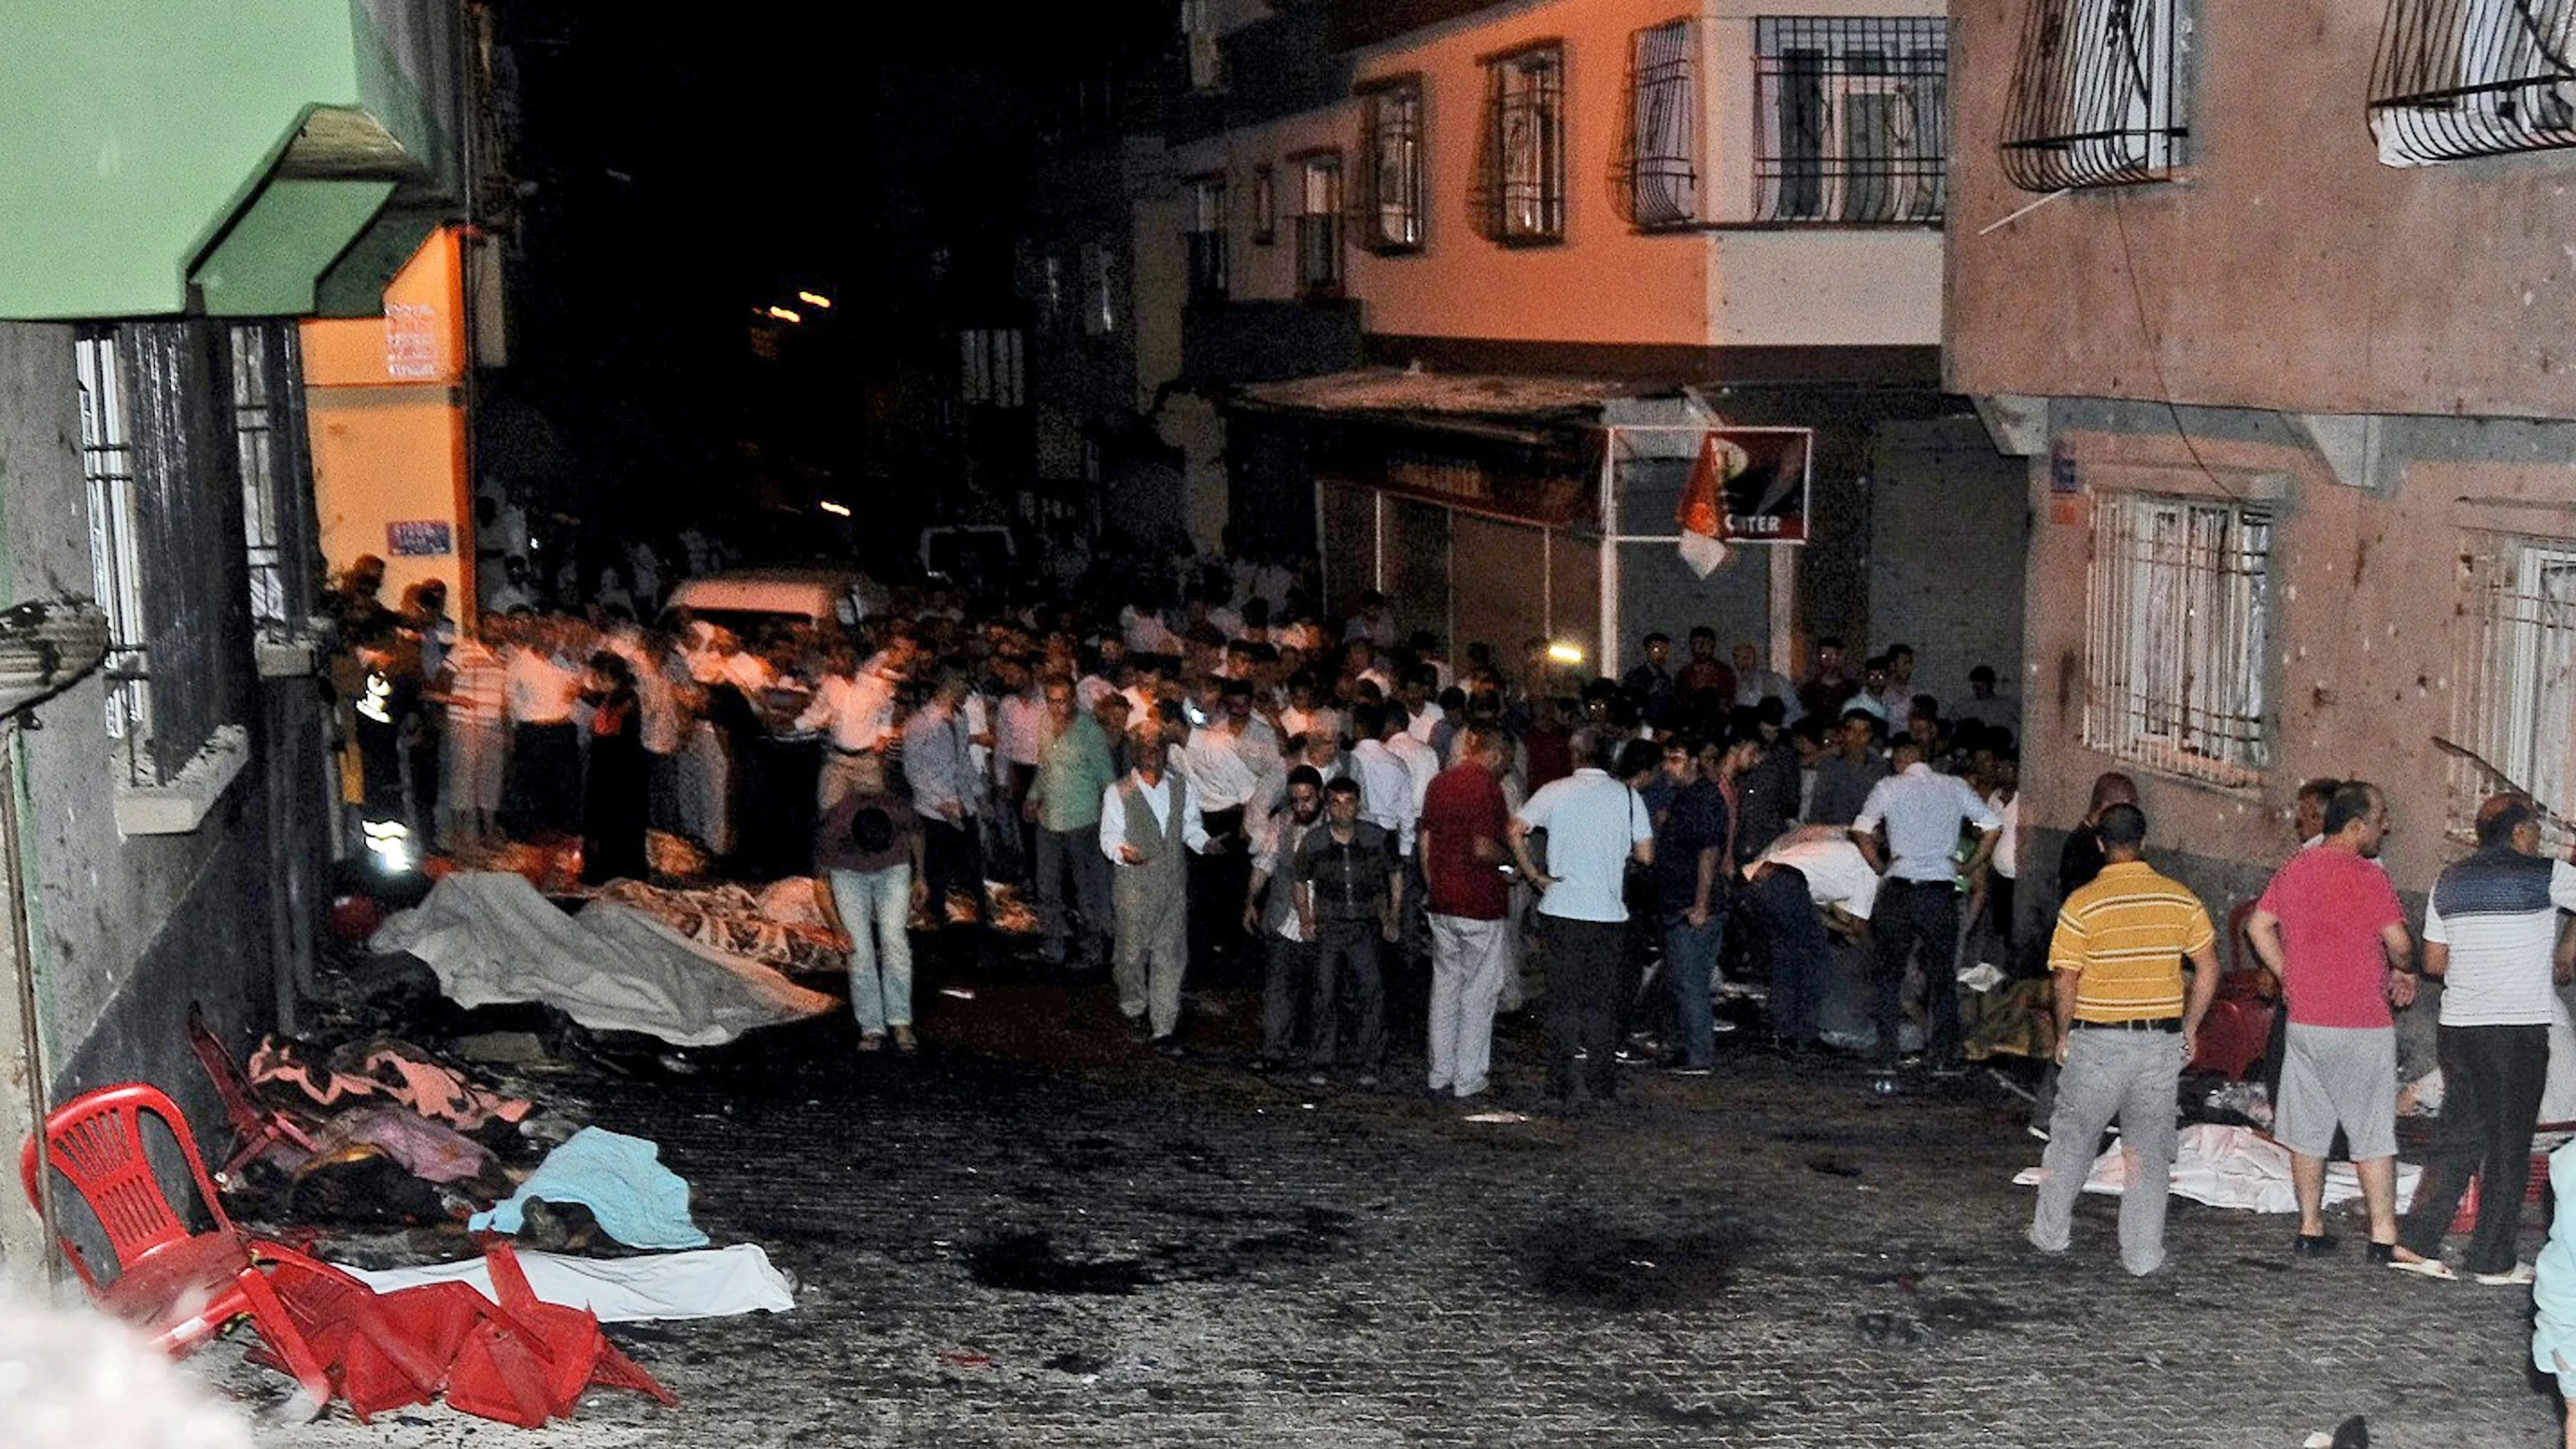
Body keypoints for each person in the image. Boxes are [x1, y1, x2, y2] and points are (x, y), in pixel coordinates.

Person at [2027, 802, 2220, 1277]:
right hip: (2157, 1044)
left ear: (2098, 843)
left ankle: (2050, 1234)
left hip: (2097, 1042)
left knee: (2071, 1141)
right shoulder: (2180, 898)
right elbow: (2208, 967)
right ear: (2143, 841)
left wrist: (2064, 1032)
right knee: (2148, 1153)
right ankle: (2141, 1255)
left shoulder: (2082, 903)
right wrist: (2189, 1027)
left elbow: (2064, 979)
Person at [2391, 795, 2576, 1283]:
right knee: (2509, 1142)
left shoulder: (2447, 879)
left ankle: (2416, 1241)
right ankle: (2492, 1258)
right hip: (2515, 1028)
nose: (2539, 839)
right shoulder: (2545, 874)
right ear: (2518, 834)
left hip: (2459, 1027)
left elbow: (2432, 962)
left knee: (2457, 1135)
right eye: (2535, 830)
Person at [2245, 781, 2417, 1261]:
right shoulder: (2368, 876)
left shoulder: (2295, 868)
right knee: (2371, 1131)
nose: (2387, 826)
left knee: (2306, 1129)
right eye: (2380, 817)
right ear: (2356, 825)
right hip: (2360, 1021)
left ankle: (2309, 1226)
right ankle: (2382, 1235)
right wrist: (2404, 965)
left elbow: (2257, 926)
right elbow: (2399, 941)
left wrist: (2286, 972)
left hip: (2305, 1020)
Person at [1510, 737, 1658, 1105]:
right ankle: (1601, 1083)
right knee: (1601, 1002)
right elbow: (1646, 855)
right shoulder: (1627, 797)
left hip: (1561, 908)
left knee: (1563, 1000)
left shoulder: (1554, 791)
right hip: (1607, 913)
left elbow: (1514, 828)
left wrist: (1534, 874)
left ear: (1574, 754)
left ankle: (1559, 1082)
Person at [1853, 736, 2002, 1069]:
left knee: (1890, 972)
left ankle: (1887, 1054)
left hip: (1901, 889)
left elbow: (1861, 832)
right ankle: (1942, 1057)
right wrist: (1970, 865)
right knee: (1942, 976)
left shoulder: (1888, 787)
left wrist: (1882, 866)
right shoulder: (1955, 786)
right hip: (1939, 891)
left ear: (1899, 762)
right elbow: (1993, 827)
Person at [1099, 721, 1211, 1051]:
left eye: (1158, 748)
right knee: (1131, 954)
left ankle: (1164, 1024)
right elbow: (1109, 836)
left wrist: (1205, 844)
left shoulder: (1181, 787)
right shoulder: (1118, 791)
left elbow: (1190, 826)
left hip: (1172, 885)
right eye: (1146, 749)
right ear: (1135, 754)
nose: (1153, 755)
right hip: (1135, 886)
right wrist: (1122, 852)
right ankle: (1133, 1005)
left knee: (1170, 955)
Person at [1419, 727, 1514, 1099]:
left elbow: (1426, 842)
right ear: (1496, 754)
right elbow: (1483, 848)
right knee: (1479, 991)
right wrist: (1511, 863)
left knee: (1445, 987)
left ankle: (1439, 1070)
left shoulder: (1439, 783)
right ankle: (1468, 1075)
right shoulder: (1487, 787)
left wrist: (1433, 886)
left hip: (1443, 899)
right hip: (1479, 902)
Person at [1292, 776, 1403, 1087]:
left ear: (1358, 804)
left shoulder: (1376, 838)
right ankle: (1322, 1061)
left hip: (1365, 925)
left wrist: (1392, 916)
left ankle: (1370, 1061)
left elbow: (1395, 874)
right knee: (1324, 993)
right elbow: (1299, 880)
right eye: (1336, 803)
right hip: (1330, 925)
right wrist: (1305, 918)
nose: (1344, 810)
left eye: (1349, 802)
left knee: (1371, 992)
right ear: (1327, 807)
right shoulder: (1314, 842)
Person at [1744, 824, 1879, 1053]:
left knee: (1787, 962)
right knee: (1814, 962)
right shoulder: (1867, 871)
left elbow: (1813, 913)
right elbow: (1859, 926)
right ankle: (1806, 1033)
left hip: (1757, 882)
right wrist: (1874, 948)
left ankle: (1784, 1032)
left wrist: (1841, 927)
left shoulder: (1837, 849)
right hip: (1785, 884)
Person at [815, 785, 928, 1053]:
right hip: (849, 874)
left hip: (894, 868)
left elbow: (917, 835)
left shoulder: (898, 809)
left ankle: (900, 1020)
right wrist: (837, 929)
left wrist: (920, 876)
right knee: (859, 950)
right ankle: (872, 1025)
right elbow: (820, 885)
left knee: (894, 940)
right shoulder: (834, 826)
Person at [1648, 731, 1732, 1074]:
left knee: (1691, 981)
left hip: (1692, 905)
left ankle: (1699, 1055)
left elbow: (1709, 852)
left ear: (1694, 762)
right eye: (1666, 759)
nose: (1669, 767)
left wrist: (1701, 904)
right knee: (1683, 980)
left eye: (1677, 759)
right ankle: (1689, 1047)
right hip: (1679, 900)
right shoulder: (1684, 797)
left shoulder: (1702, 798)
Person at [1024, 676, 1118, 971]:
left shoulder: (1089, 732)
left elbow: (1107, 780)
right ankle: (1054, 946)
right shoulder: (1045, 724)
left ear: (1073, 700)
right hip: (1049, 819)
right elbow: (1044, 767)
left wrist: (1111, 821)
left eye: (1062, 700)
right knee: (1047, 887)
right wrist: (1033, 796)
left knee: (1085, 888)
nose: (1056, 707)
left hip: (1082, 821)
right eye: (1051, 700)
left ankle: (1093, 949)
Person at [904, 661, 987, 962]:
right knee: (936, 878)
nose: (967, 689)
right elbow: (914, 772)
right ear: (949, 684)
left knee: (970, 877)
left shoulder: (960, 718)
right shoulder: (920, 724)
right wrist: (941, 802)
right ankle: (938, 946)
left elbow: (963, 761)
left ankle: (971, 942)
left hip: (961, 805)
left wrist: (977, 797)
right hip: (935, 812)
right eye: (963, 683)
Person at [1245, 766, 1328, 1071]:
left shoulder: (1331, 827)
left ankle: (1318, 1054)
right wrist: (1251, 901)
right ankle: (1274, 1051)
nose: (1300, 807)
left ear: (1319, 796)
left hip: (1321, 921)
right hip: (1283, 918)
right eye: (1294, 801)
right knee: (1279, 989)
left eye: (1306, 800)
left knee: (1322, 991)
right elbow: (1264, 863)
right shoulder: (1280, 823)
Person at [500, 619, 582, 838]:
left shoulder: (561, 663)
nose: (552, 644)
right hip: (535, 731)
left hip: (562, 729)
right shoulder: (521, 663)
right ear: (536, 638)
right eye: (547, 639)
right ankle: (534, 836)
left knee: (565, 787)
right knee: (535, 787)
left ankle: (563, 836)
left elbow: (575, 688)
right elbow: (508, 699)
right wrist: (511, 732)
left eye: (554, 639)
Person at [578, 651, 649, 884]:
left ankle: (613, 872)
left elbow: (606, 731)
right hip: (609, 768)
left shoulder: (624, 700)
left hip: (617, 771)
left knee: (613, 824)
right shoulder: (612, 697)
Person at [1808, 709, 1887, 828]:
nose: (1857, 737)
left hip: (1868, 835)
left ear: (1871, 735)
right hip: (1833, 833)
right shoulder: (1829, 764)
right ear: (1843, 733)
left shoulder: (1880, 767)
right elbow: (1819, 806)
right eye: (1852, 731)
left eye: (1864, 732)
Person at [1622, 633, 1675, 731]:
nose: (1660, 654)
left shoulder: (1666, 679)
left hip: (1661, 728)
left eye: (1664, 650)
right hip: (1639, 726)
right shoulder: (1634, 676)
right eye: (1656, 650)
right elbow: (1629, 705)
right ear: (1647, 651)